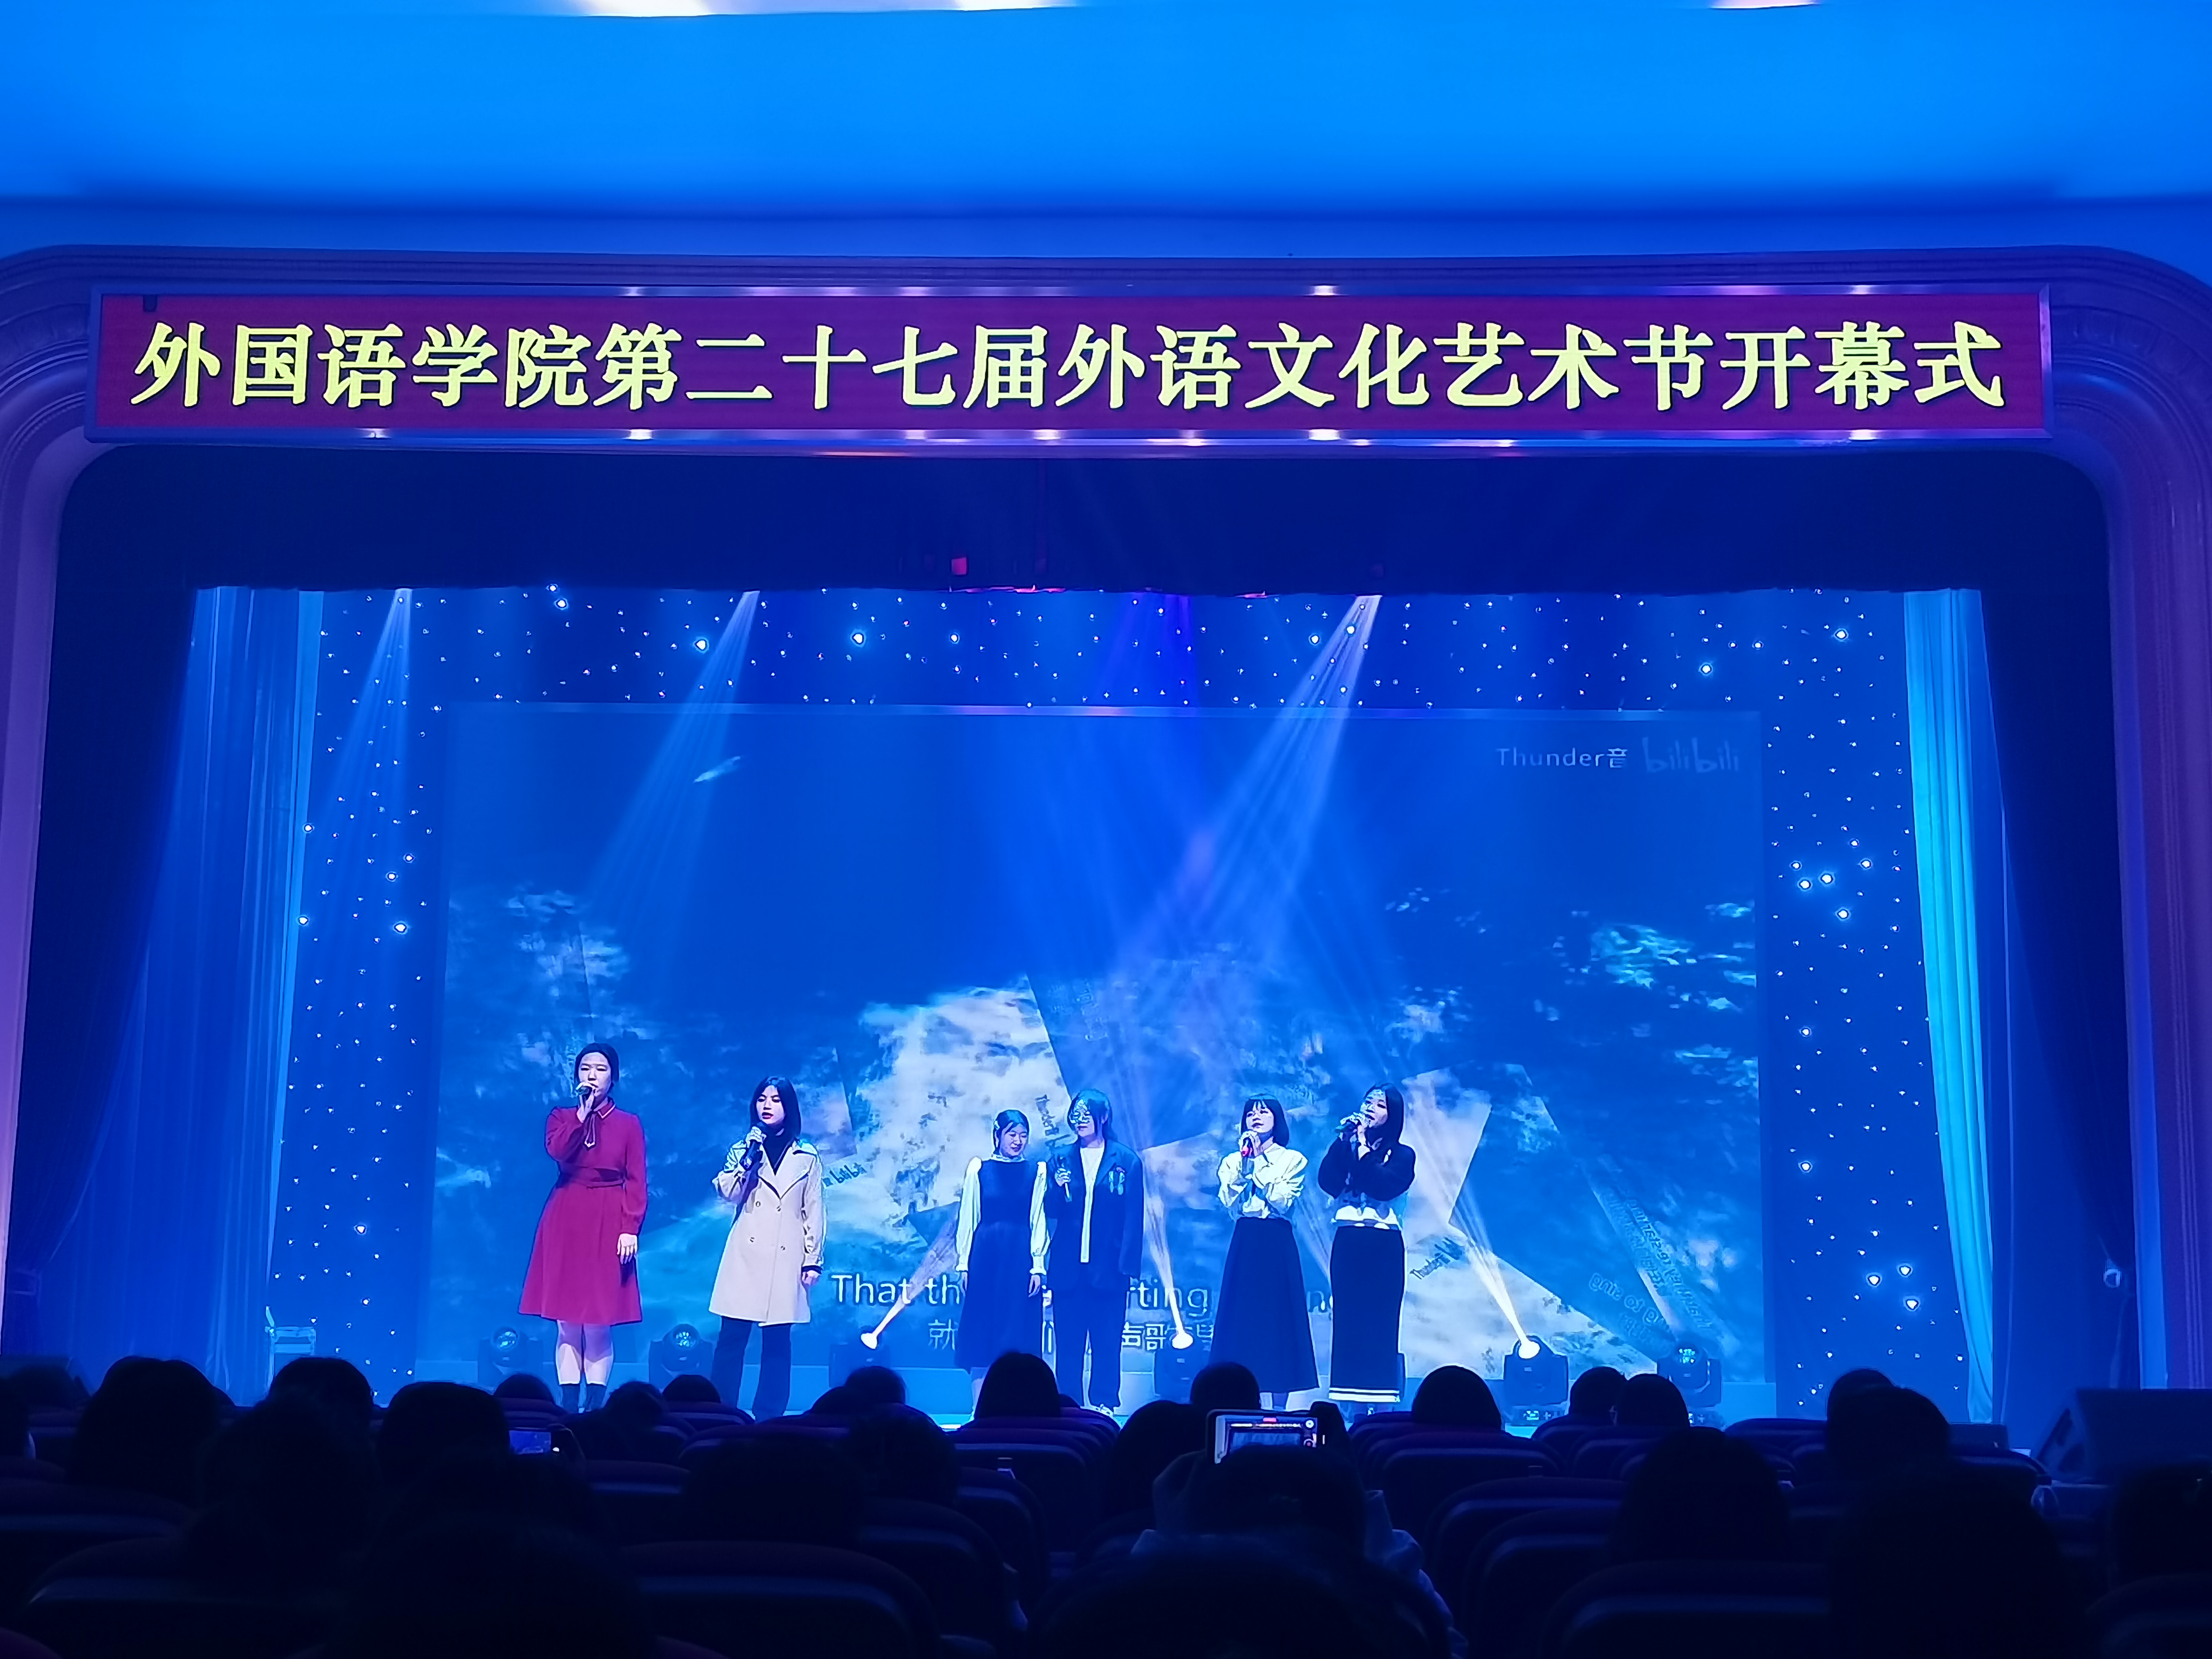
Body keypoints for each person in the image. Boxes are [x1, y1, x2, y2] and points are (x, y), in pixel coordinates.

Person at [518, 1043, 647, 1414]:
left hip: (609, 1216)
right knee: (567, 1321)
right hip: (566, 1215)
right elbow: (558, 1151)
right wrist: (582, 1114)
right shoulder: (561, 1117)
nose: (592, 1076)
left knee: (598, 1321)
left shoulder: (629, 1124)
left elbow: (637, 1180)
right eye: (586, 1069)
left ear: (613, 1078)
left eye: (601, 1070)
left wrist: (630, 1227)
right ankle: (569, 1404)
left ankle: (595, 1406)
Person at [708, 1075, 824, 1420]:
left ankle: (769, 1417)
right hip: (746, 1252)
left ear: (789, 1107)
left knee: (777, 1341)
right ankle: (722, 1412)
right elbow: (729, 1194)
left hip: (786, 1255)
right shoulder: (743, 1149)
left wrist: (813, 1259)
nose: (767, 1106)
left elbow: (814, 1209)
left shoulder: (807, 1156)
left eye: (775, 1100)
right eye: (762, 1099)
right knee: (732, 1338)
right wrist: (748, 1158)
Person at [1211, 1097, 1317, 1408]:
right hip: (1246, 1238)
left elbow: (1282, 1201)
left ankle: (1280, 1406)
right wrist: (1245, 1165)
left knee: (1278, 1319)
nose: (1256, 1117)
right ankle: (1238, 1400)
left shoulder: (1293, 1159)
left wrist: (1258, 1164)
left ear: (1277, 1120)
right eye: (1250, 1113)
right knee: (1241, 1318)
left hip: (1276, 1240)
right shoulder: (1232, 1161)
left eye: (1263, 1111)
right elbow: (1228, 1202)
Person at [1044, 1088, 1145, 1411]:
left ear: (1104, 1117)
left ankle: (1104, 1403)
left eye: (1087, 1114)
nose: (1080, 1120)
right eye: (1076, 1114)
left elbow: (1133, 1217)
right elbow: (1052, 1209)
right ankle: (1068, 1404)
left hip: (1109, 1268)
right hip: (1068, 1268)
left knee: (1107, 1342)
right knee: (1068, 1345)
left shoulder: (1126, 1160)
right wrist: (1059, 1189)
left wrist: (1126, 1267)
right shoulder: (1061, 1157)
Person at [1315, 1086, 1416, 1406]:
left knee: (1380, 1321)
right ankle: (1346, 1399)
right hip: (1349, 1240)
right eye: (1368, 1101)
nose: (1371, 1107)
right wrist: (1344, 1143)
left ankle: (1381, 1398)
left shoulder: (1402, 1155)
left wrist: (1361, 1147)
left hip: (1383, 1243)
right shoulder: (1347, 1147)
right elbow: (1328, 1182)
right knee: (1348, 1318)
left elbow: (1381, 1186)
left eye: (1380, 1104)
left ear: (1393, 1114)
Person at [955, 1108, 1048, 1392]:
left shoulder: (1036, 1172)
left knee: (1017, 1331)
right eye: (1012, 1134)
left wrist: (1038, 1266)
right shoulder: (979, 1169)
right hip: (985, 1256)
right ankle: (978, 1408)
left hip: (1019, 1257)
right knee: (982, 1329)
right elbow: (969, 1218)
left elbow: (1038, 1219)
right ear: (997, 1136)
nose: (1018, 1141)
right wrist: (964, 1263)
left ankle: (1017, 1403)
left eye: (1023, 1135)